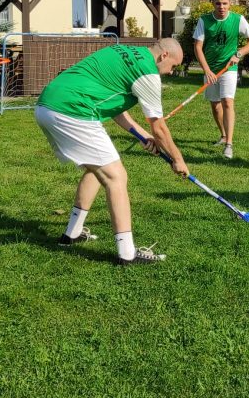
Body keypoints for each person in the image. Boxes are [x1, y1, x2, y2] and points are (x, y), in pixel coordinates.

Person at [35, 38, 189, 265]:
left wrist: (142, 135)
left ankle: (72, 233)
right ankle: (127, 254)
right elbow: (159, 127)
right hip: (72, 111)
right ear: (164, 55)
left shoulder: (122, 50)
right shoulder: (148, 72)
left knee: (97, 169)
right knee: (116, 177)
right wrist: (178, 159)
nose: (171, 72)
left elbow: (116, 108)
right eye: (173, 66)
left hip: (46, 106)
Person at [192, 0, 249, 159]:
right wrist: (207, 70)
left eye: (224, 3)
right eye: (218, 4)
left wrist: (239, 54)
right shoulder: (204, 20)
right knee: (215, 105)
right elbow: (198, 47)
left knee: (227, 102)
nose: (221, 7)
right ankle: (223, 135)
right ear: (212, 3)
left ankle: (229, 144)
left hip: (229, 69)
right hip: (211, 69)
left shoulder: (238, 19)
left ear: (230, 3)